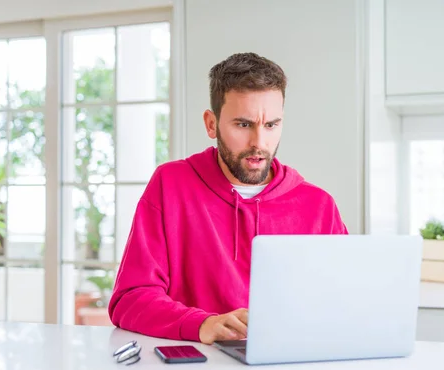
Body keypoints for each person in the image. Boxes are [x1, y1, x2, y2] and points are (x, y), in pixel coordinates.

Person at [108, 52, 348, 345]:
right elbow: (130, 300)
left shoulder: (319, 206)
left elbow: (342, 303)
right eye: (243, 125)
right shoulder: (170, 185)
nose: (259, 143)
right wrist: (202, 324)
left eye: (271, 125)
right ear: (211, 124)